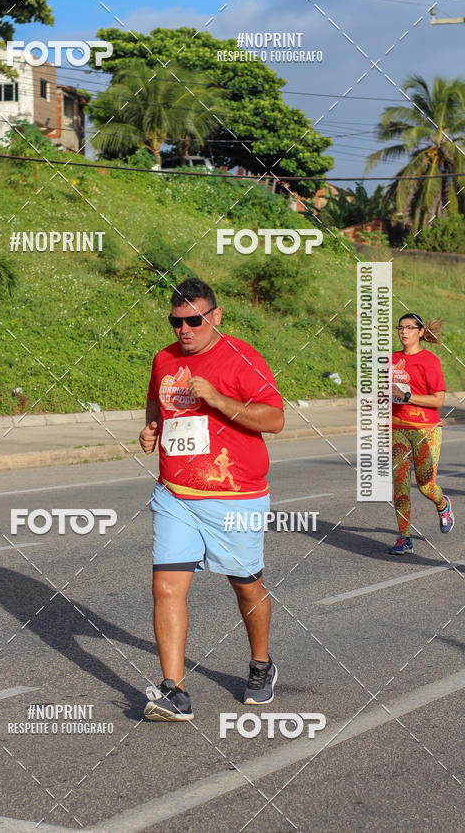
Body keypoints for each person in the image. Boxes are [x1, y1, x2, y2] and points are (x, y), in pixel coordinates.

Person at [139, 278, 284, 721]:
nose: (184, 329)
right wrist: (150, 431)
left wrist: (219, 399)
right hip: (176, 494)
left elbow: (275, 418)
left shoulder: (242, 357)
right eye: (176, 321)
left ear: (215, 317)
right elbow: (155, 403)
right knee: (166, 587)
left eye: (194, 321)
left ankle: (261, 665)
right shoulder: (164, 359)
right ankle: (174, 691)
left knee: (245, 586)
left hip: (235, 497)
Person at [389, 312, 455, 555]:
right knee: (400, 485)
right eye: (400, 327)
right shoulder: (391, 360)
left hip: (426, 430)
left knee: (425, 486)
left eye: (409, 328)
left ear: (419, 332)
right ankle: (403, 537)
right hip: (398, 429)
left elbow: (438, 400)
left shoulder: (430, 361)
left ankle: (443, 503)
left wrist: (408, 396)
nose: (404, 332)